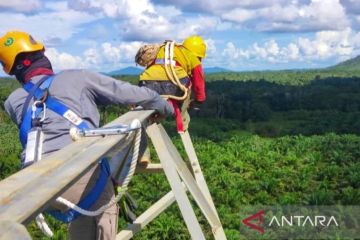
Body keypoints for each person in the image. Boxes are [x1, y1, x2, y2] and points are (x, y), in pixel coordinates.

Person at [0, 30, 174, 240]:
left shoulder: (13, 101)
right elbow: (131, 94)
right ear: (42, 55)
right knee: (99, 202)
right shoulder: (77, 77)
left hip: (32, 188)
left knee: (81, 208)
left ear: (13, 71)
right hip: (78, 178)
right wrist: (166, 108)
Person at [138, 35, 207, 133]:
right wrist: (199, 100)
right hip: (173, 86)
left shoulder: (163, 49)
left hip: (146, 83)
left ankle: (156, 112)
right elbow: (198, 82)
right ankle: (183, 122)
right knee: (187, 87)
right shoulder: (193, 57)